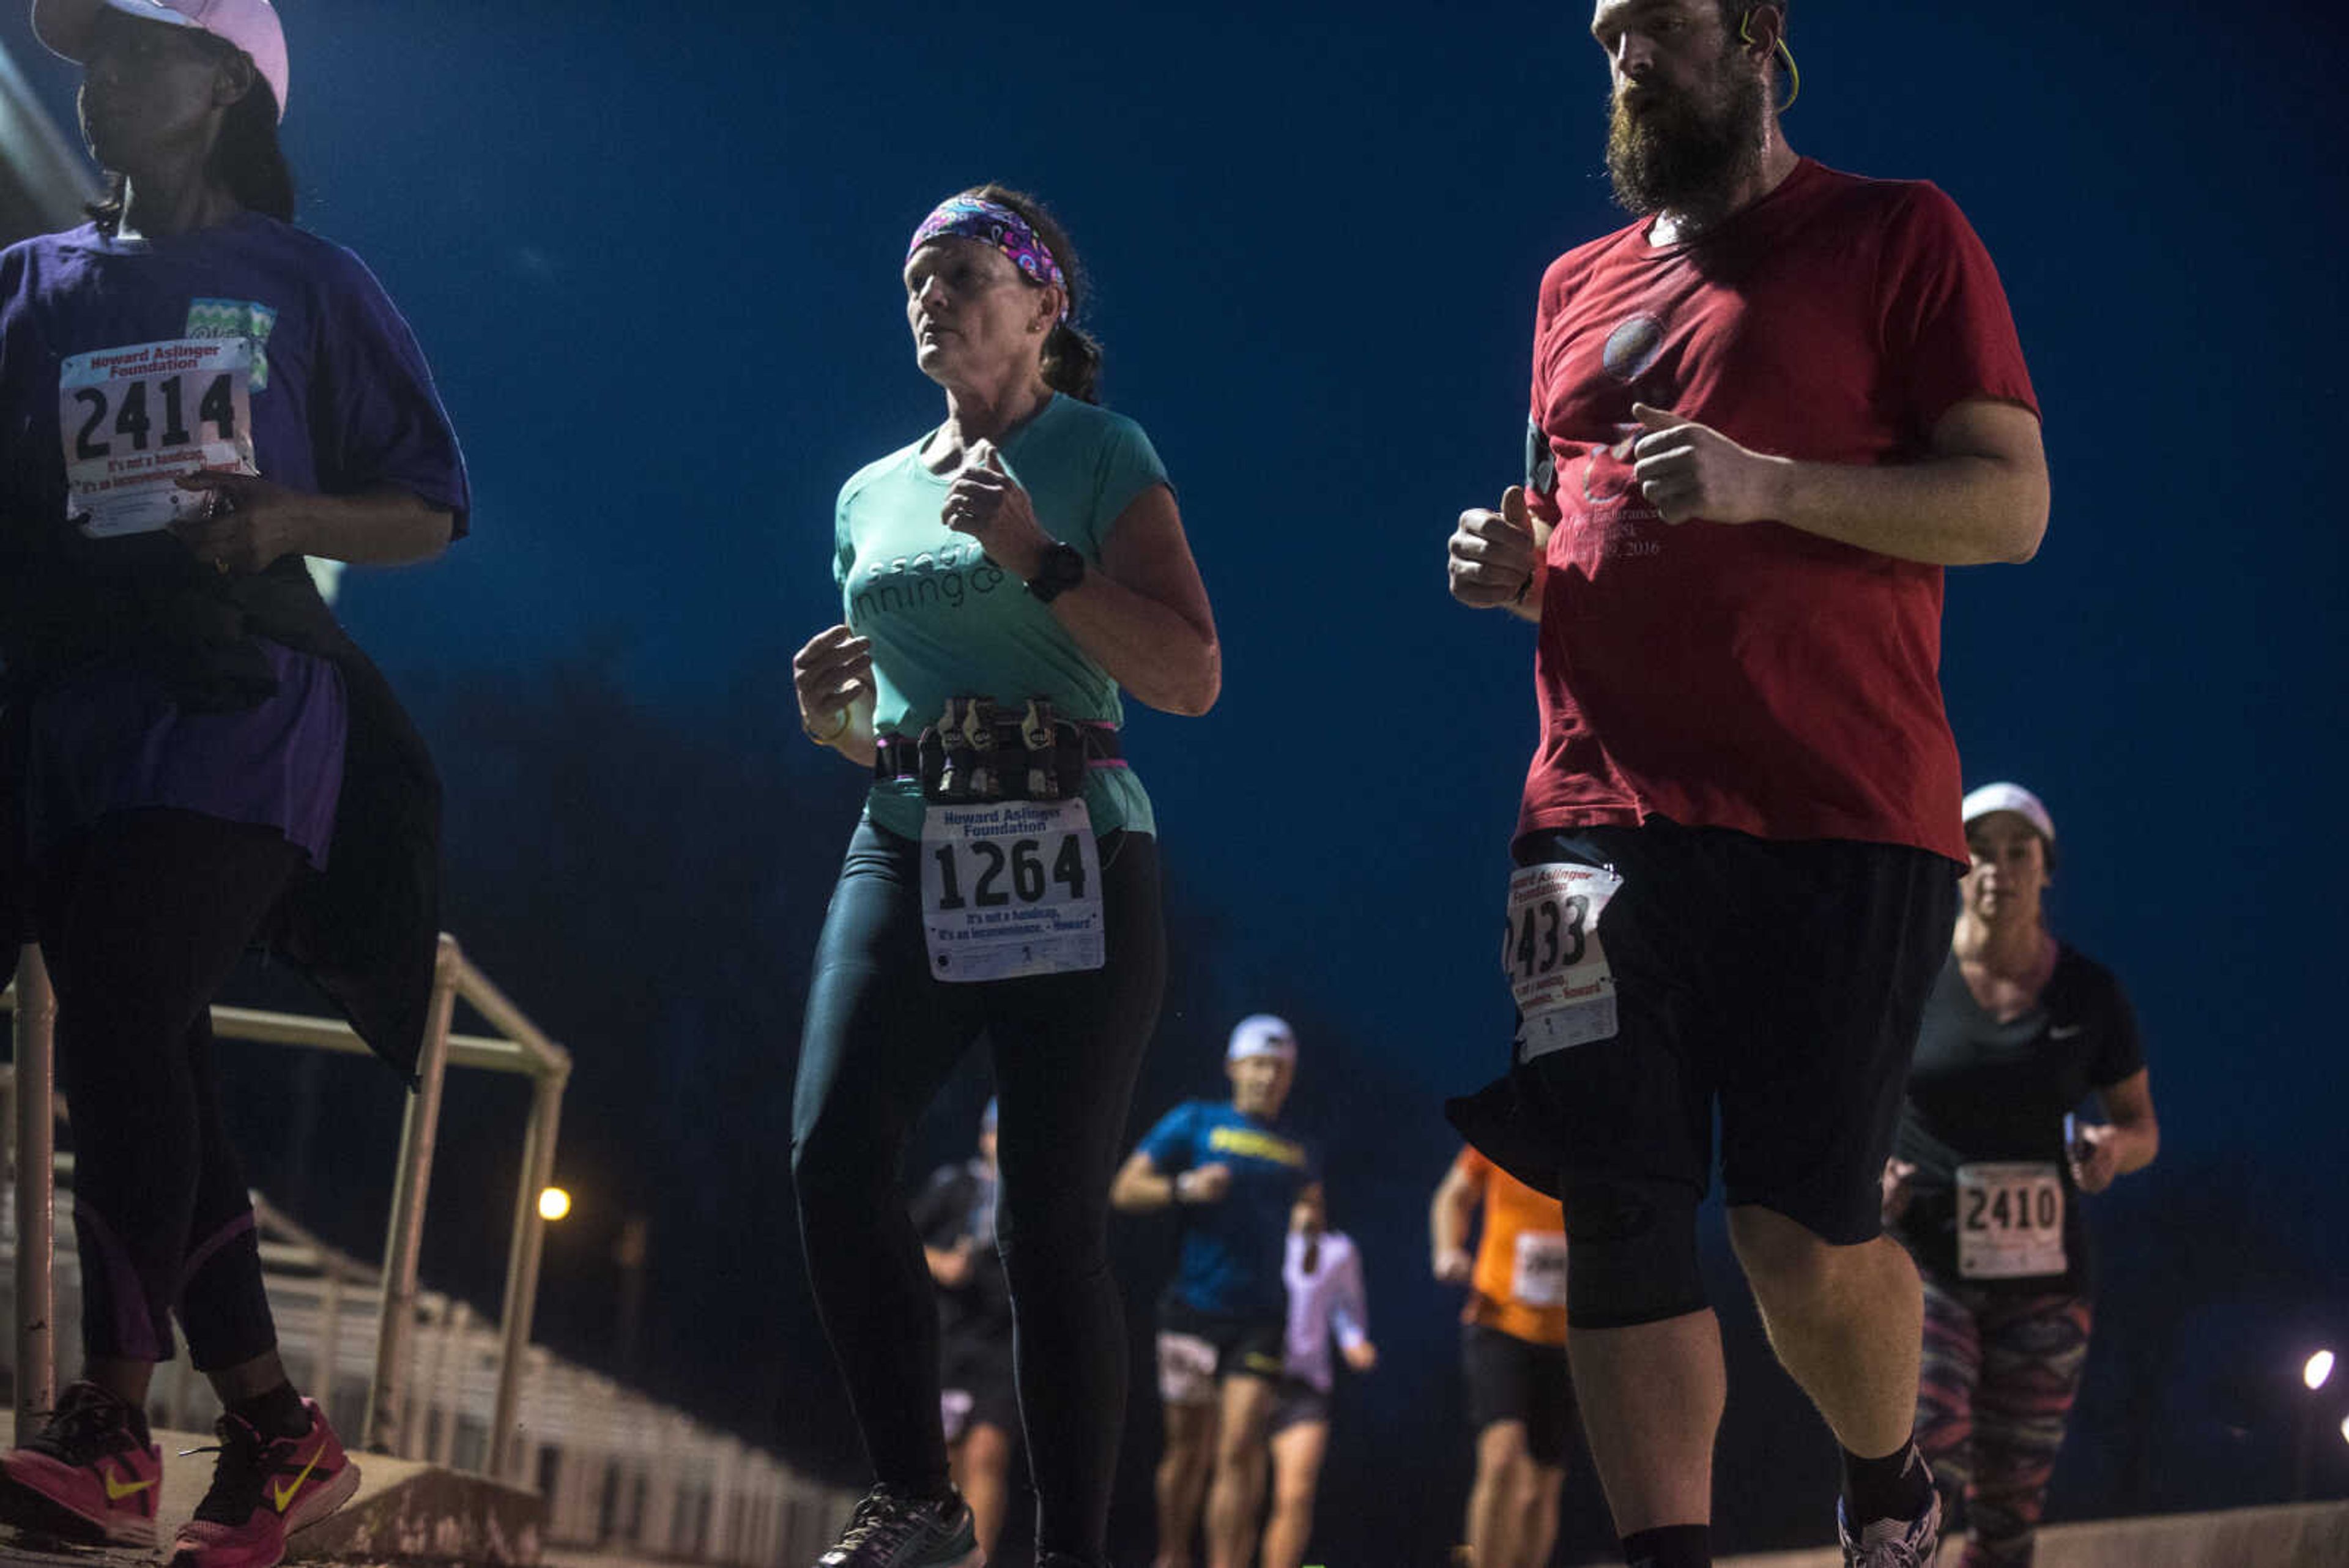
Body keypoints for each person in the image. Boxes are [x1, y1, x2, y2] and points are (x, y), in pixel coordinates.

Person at [1440, 3, 2049, 1564]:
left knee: (1796, 1231)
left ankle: (1887, 1476)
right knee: (1617, 1194)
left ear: (1759, 33)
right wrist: (1514, 570)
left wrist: (1766, 485)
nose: (1628, 54)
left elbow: (2008, 506)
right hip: (1587, 813)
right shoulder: (1567, 288)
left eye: (1661, 24)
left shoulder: (1895, 234)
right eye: (1606, 33)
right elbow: (1571, 519)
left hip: (1839, 812)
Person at [0, 2, 468, 1566]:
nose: (99, 80)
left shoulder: (312, 284)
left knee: (125, 1008)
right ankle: (276, 1430)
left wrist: (284, 522)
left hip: (247, 709)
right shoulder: (29, 290)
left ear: (225, 87)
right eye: (86, 57)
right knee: (156, 1065)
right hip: (74, 723)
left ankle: (114, 1422)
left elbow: (428, 508)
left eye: (137, 52)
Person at [787, 184, 1219, 1568]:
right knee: (831, 1153)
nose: (933, 294)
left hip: (1077, 844)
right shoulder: (868, 493)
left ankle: (1072, 1551)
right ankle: (916, 1499)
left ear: (1043, 304)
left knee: (1046, 1224)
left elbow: (1189, 674)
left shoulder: (1099, 450)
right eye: (916, 275)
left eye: (965, 272)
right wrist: (832, 722)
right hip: (910, 837)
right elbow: (875, 724)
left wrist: (1036, 557)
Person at [1882, 784, 2157, 1568]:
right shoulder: (1909, 979)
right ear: (1956, 867)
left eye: (2018, 851)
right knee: (1925, 1466)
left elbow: (2143, 1127)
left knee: (2011, 1507)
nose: (1998, 867)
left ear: (2046, 868)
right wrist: (1872, 1173)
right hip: (1926, 1263)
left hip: (2046, 1282)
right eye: (1981, 850)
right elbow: (1849, 1099)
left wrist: (2112, 1150)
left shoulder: (2090, 993)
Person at [1111, 1016, 1321, 1568]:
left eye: (1279, 1068)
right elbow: (1125, 1189)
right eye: (1258, 1064)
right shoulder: (1195, 1120)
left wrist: (1308, 1225)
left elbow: (1314, 1219)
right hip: (1191, 1310)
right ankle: (1173, 1554)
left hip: (1260, 1318)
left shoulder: (1298, 1150)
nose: (1267, 1077)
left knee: (1239, 1448)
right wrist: (1184, 1186)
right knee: (1188, 1451)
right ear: (1233, 1067)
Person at [1431, 1146, 1574, 1568]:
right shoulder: (1505, 1123)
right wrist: (1447, 1248)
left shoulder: (1599, 1131)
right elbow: (1452, 1195)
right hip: (1498, 1320)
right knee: (1501, 1457)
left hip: (1571, 1337)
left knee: (1541, 1486)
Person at [911, 1099, 1018, 1559]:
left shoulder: (1037, 1200)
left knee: (989, 1454)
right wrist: (942, 1263)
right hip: (950, 1338)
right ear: (984, 1136)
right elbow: (900, 1237)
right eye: (998, 1133)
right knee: (945, 1461)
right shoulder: (954, 1184)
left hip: (1004, 1343)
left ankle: (979, 1560)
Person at [1260, 1186, 1375, 1568]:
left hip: (1306, 1384)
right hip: (1253, 1375)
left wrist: (1354, 1341)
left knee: (1296, 1494)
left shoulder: (1338, 1251)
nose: (1308, 1210)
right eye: (1300, 1202)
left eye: (1314, 1203)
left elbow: (1345, 1307)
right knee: (1240, 1487)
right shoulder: (1262, 1238)